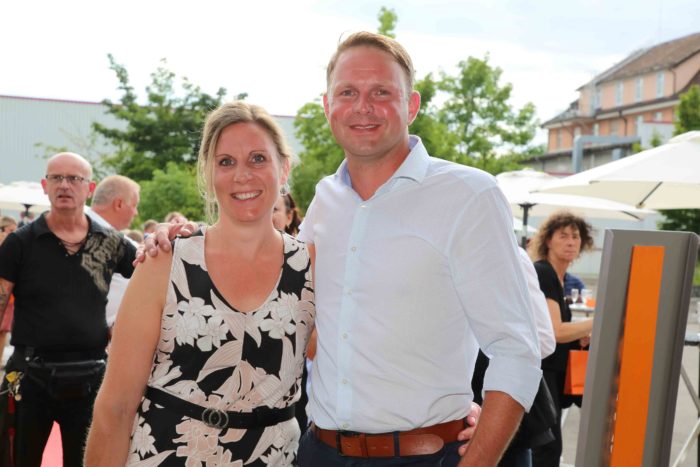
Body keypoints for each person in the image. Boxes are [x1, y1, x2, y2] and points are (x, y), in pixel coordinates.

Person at [143, 31, 534, 465]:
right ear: (328, 106)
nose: (363, 106)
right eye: (348, 92)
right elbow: (275, 285)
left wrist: (480, 458)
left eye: (381, 92)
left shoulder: (468, 195)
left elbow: (516, 348)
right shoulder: (326, 200)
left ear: (412, 105)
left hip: (423, 454)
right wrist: (191, 238)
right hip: (318, 451)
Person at [84, 101, 315, 466]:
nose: (242, 175)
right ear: (208, 174)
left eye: (258, 159)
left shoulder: (311, 267)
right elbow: (116, 407)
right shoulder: (165, 261)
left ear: (283, 168)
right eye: (226, 162)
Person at [0, 152, 136, 467]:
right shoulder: (20, 242)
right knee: (18, 459)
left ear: (89, 188)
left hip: (91, 375)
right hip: (28, 374)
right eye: (57, 178)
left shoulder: (110, 242)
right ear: (45, 185)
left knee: (86, 462)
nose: (65, 185)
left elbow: (149, 274)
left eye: (74, 178)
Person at [528, 211, 594, 467]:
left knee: (548, 448)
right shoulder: (544, 273)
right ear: (548, 240)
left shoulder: (558, 276)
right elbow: (555, 331)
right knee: (547, 450)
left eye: (575, 236)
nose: (570, 242)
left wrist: (580, 335)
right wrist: (603, 318)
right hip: (542, 373)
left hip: (550, 373)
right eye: (563, 236)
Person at [88, 175, 141, 327]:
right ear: (119, 204)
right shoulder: (108, 239)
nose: (136, 213)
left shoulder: (76, 229)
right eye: (134, 205)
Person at [0, 216, 17, 365]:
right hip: (5, 295)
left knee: (3, 332)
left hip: (9, 297)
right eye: (11, 230)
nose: (14, 233)